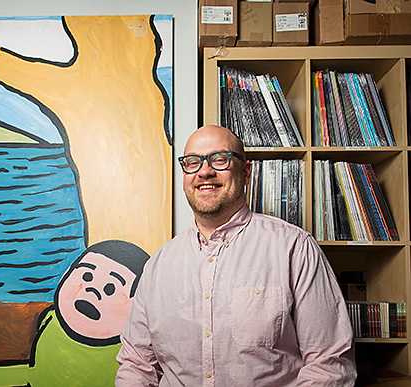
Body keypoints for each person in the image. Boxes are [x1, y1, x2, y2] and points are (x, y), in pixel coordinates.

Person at [116, 125, 357, 386]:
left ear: (246, 172)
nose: (204, 171)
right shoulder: (158, 266)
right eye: (192, 162)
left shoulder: (294, 249)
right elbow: (137, 364)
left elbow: (329, 364)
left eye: (220, 159)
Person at [0, 240, 149, 387]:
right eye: (87, 275)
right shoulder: (51, 319)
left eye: (110, 288)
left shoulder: (126, 354)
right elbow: (32, 373)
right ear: (66, 276)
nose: (92, 290)